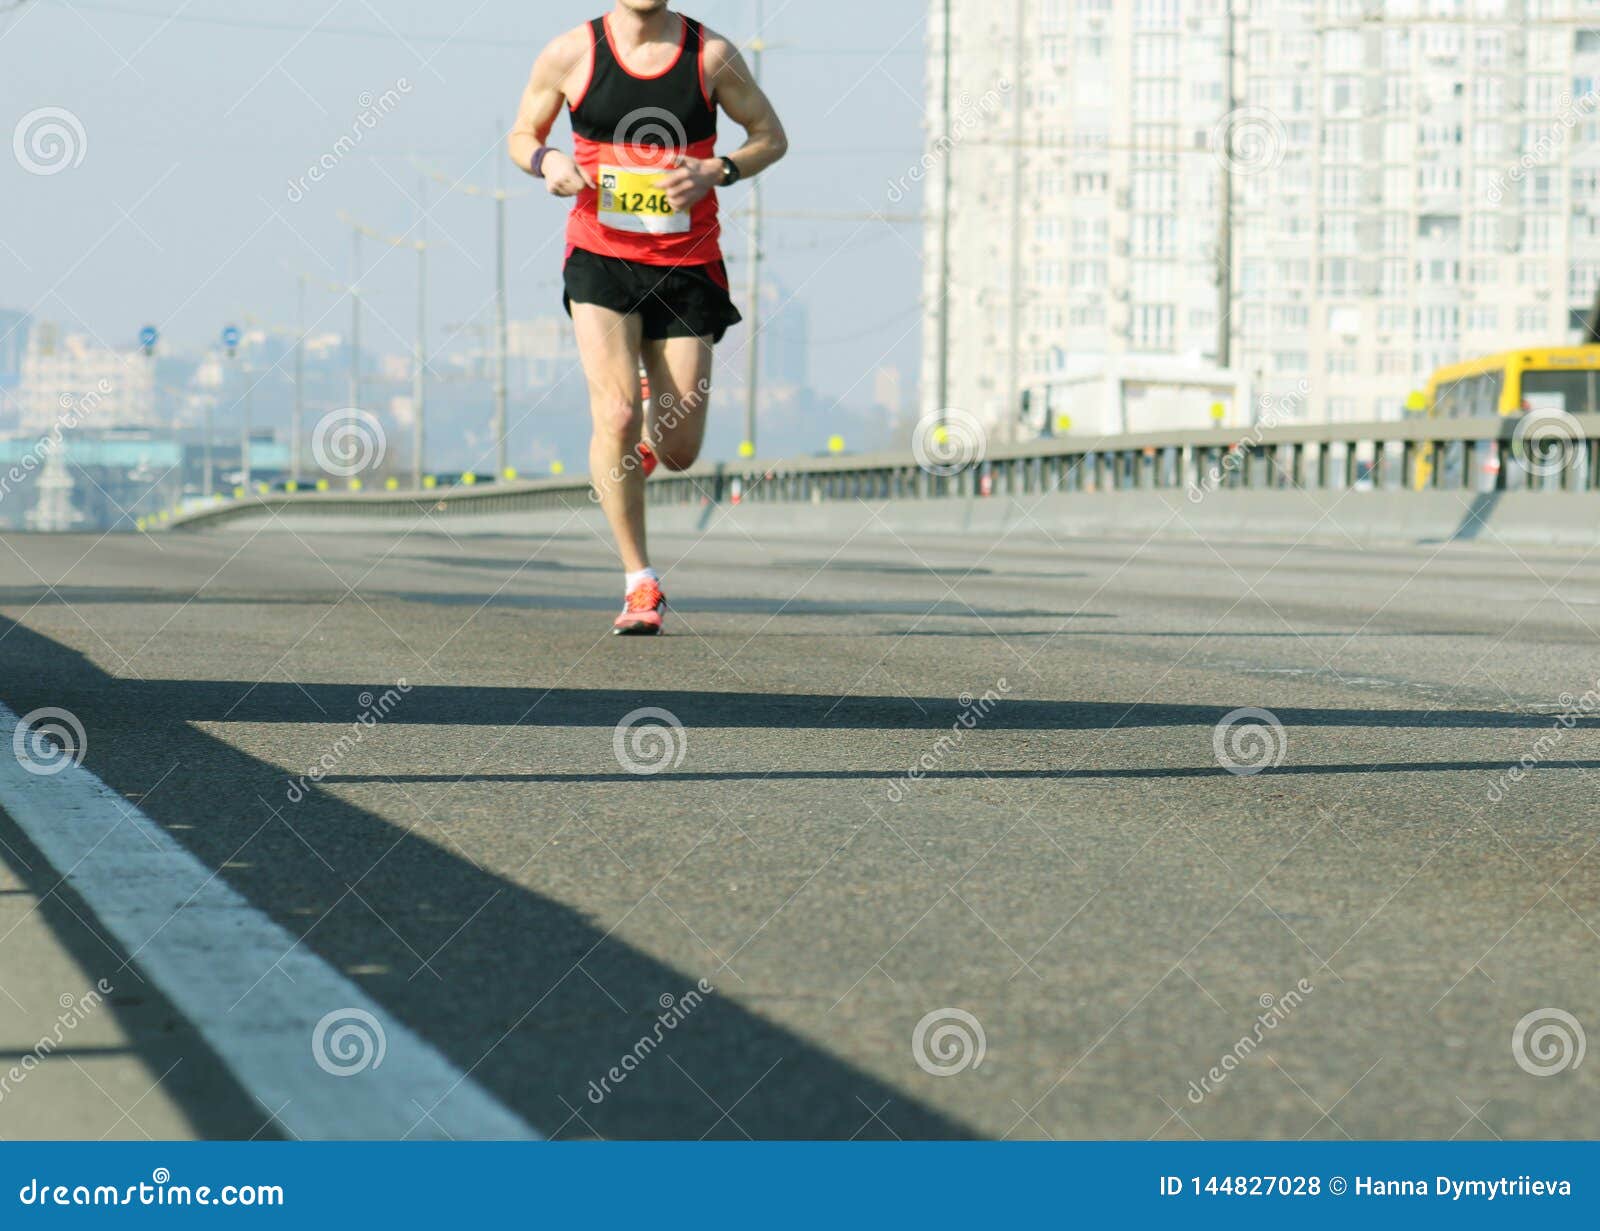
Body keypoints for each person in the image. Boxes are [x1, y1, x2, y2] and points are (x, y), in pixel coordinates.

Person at [509, 0, 788, 635]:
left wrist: (718, 170)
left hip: (686, 265)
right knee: (613, 412)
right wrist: (546, 161)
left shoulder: (709, 55)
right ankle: (640, 582)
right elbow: (522, 134)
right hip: (598, 258)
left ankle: (642, 426)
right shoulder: (571, 53)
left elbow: (772, 137)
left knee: (680, 449)